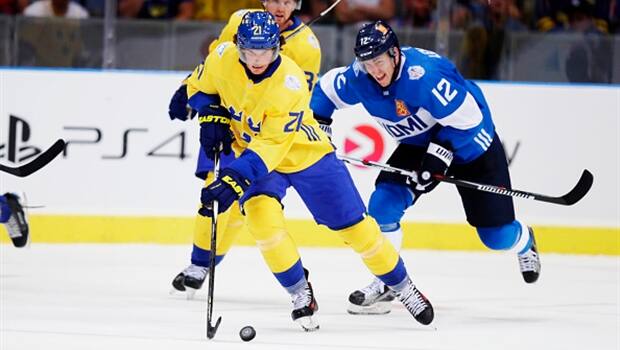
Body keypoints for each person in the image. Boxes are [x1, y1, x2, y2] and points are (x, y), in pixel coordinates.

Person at [186, 11, 434, 330]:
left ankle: (403, 287)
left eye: (267, 51)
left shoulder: (289, 82)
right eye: (250, 52)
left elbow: (271, 145)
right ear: (238, 47)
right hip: (253, 156)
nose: (258, 60)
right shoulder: (222, 57)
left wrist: (234, 178)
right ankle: (300, 292)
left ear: (278, 48)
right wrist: (210, 113)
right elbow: (200, 86)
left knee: (357, 229)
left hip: (304, 154)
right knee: (263, 225)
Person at [310, 20, 541, 315]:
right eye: (368, 64)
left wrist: (437, 157)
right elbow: (325, 92)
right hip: (418, 146)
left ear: (394, 54)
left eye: (379, 61)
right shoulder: (360, 77)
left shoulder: (426, 76)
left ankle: (524, 240)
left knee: (496, 237)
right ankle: (387, 281)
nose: (375, 71)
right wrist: (320, 128)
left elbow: (468, 121)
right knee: (382, 206)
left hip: (471, 144)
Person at [168, 0, 323, 298]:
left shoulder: (306, 46)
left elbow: (297, 101)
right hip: (228, 124)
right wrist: (193, 91)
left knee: (248, 207)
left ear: (297, 4)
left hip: (267, 134)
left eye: (287, 0)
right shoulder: (239, 20)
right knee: (214, 194)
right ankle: (199, 264)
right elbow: (217, 63)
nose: (280, 6)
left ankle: (212, 263)